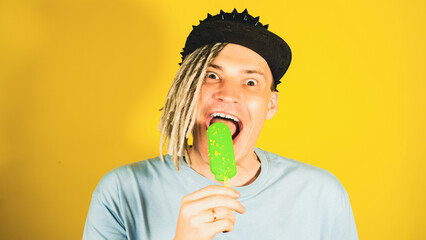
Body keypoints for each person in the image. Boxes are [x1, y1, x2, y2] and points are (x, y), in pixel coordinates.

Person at [83, 9, 358, 240]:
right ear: (186, 90)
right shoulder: (120, 191)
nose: (228, 93)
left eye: (250, 82)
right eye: (212, 75)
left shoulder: (322, 196)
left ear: (270, 105)